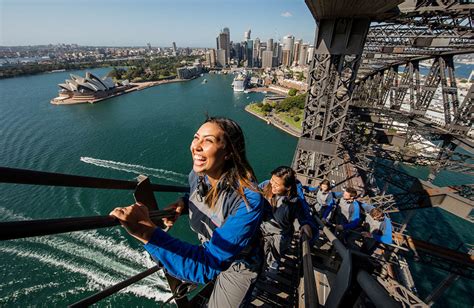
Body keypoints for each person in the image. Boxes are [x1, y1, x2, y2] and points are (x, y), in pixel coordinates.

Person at [110, 117, 264, 308]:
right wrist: (183, 202)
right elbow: (194, 192)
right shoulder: (198, 175)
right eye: (196, 137)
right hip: (212, 249)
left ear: (228, 153)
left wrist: (145, 231)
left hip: (239, 266)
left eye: (208, 140)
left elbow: (206, 264)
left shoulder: (248, 201)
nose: (196, 146)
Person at [259, 166, 317, 271]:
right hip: (262, 229)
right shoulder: (266, 185)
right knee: (259, 254)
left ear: (288, 187)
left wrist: (305, 224)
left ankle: (271, 271)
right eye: (272, 180)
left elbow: (304, 215)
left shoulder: (294, 201)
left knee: (273, 258)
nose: (272, 185)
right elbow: (252, 194)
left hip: (279, 235)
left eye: (277, 184)